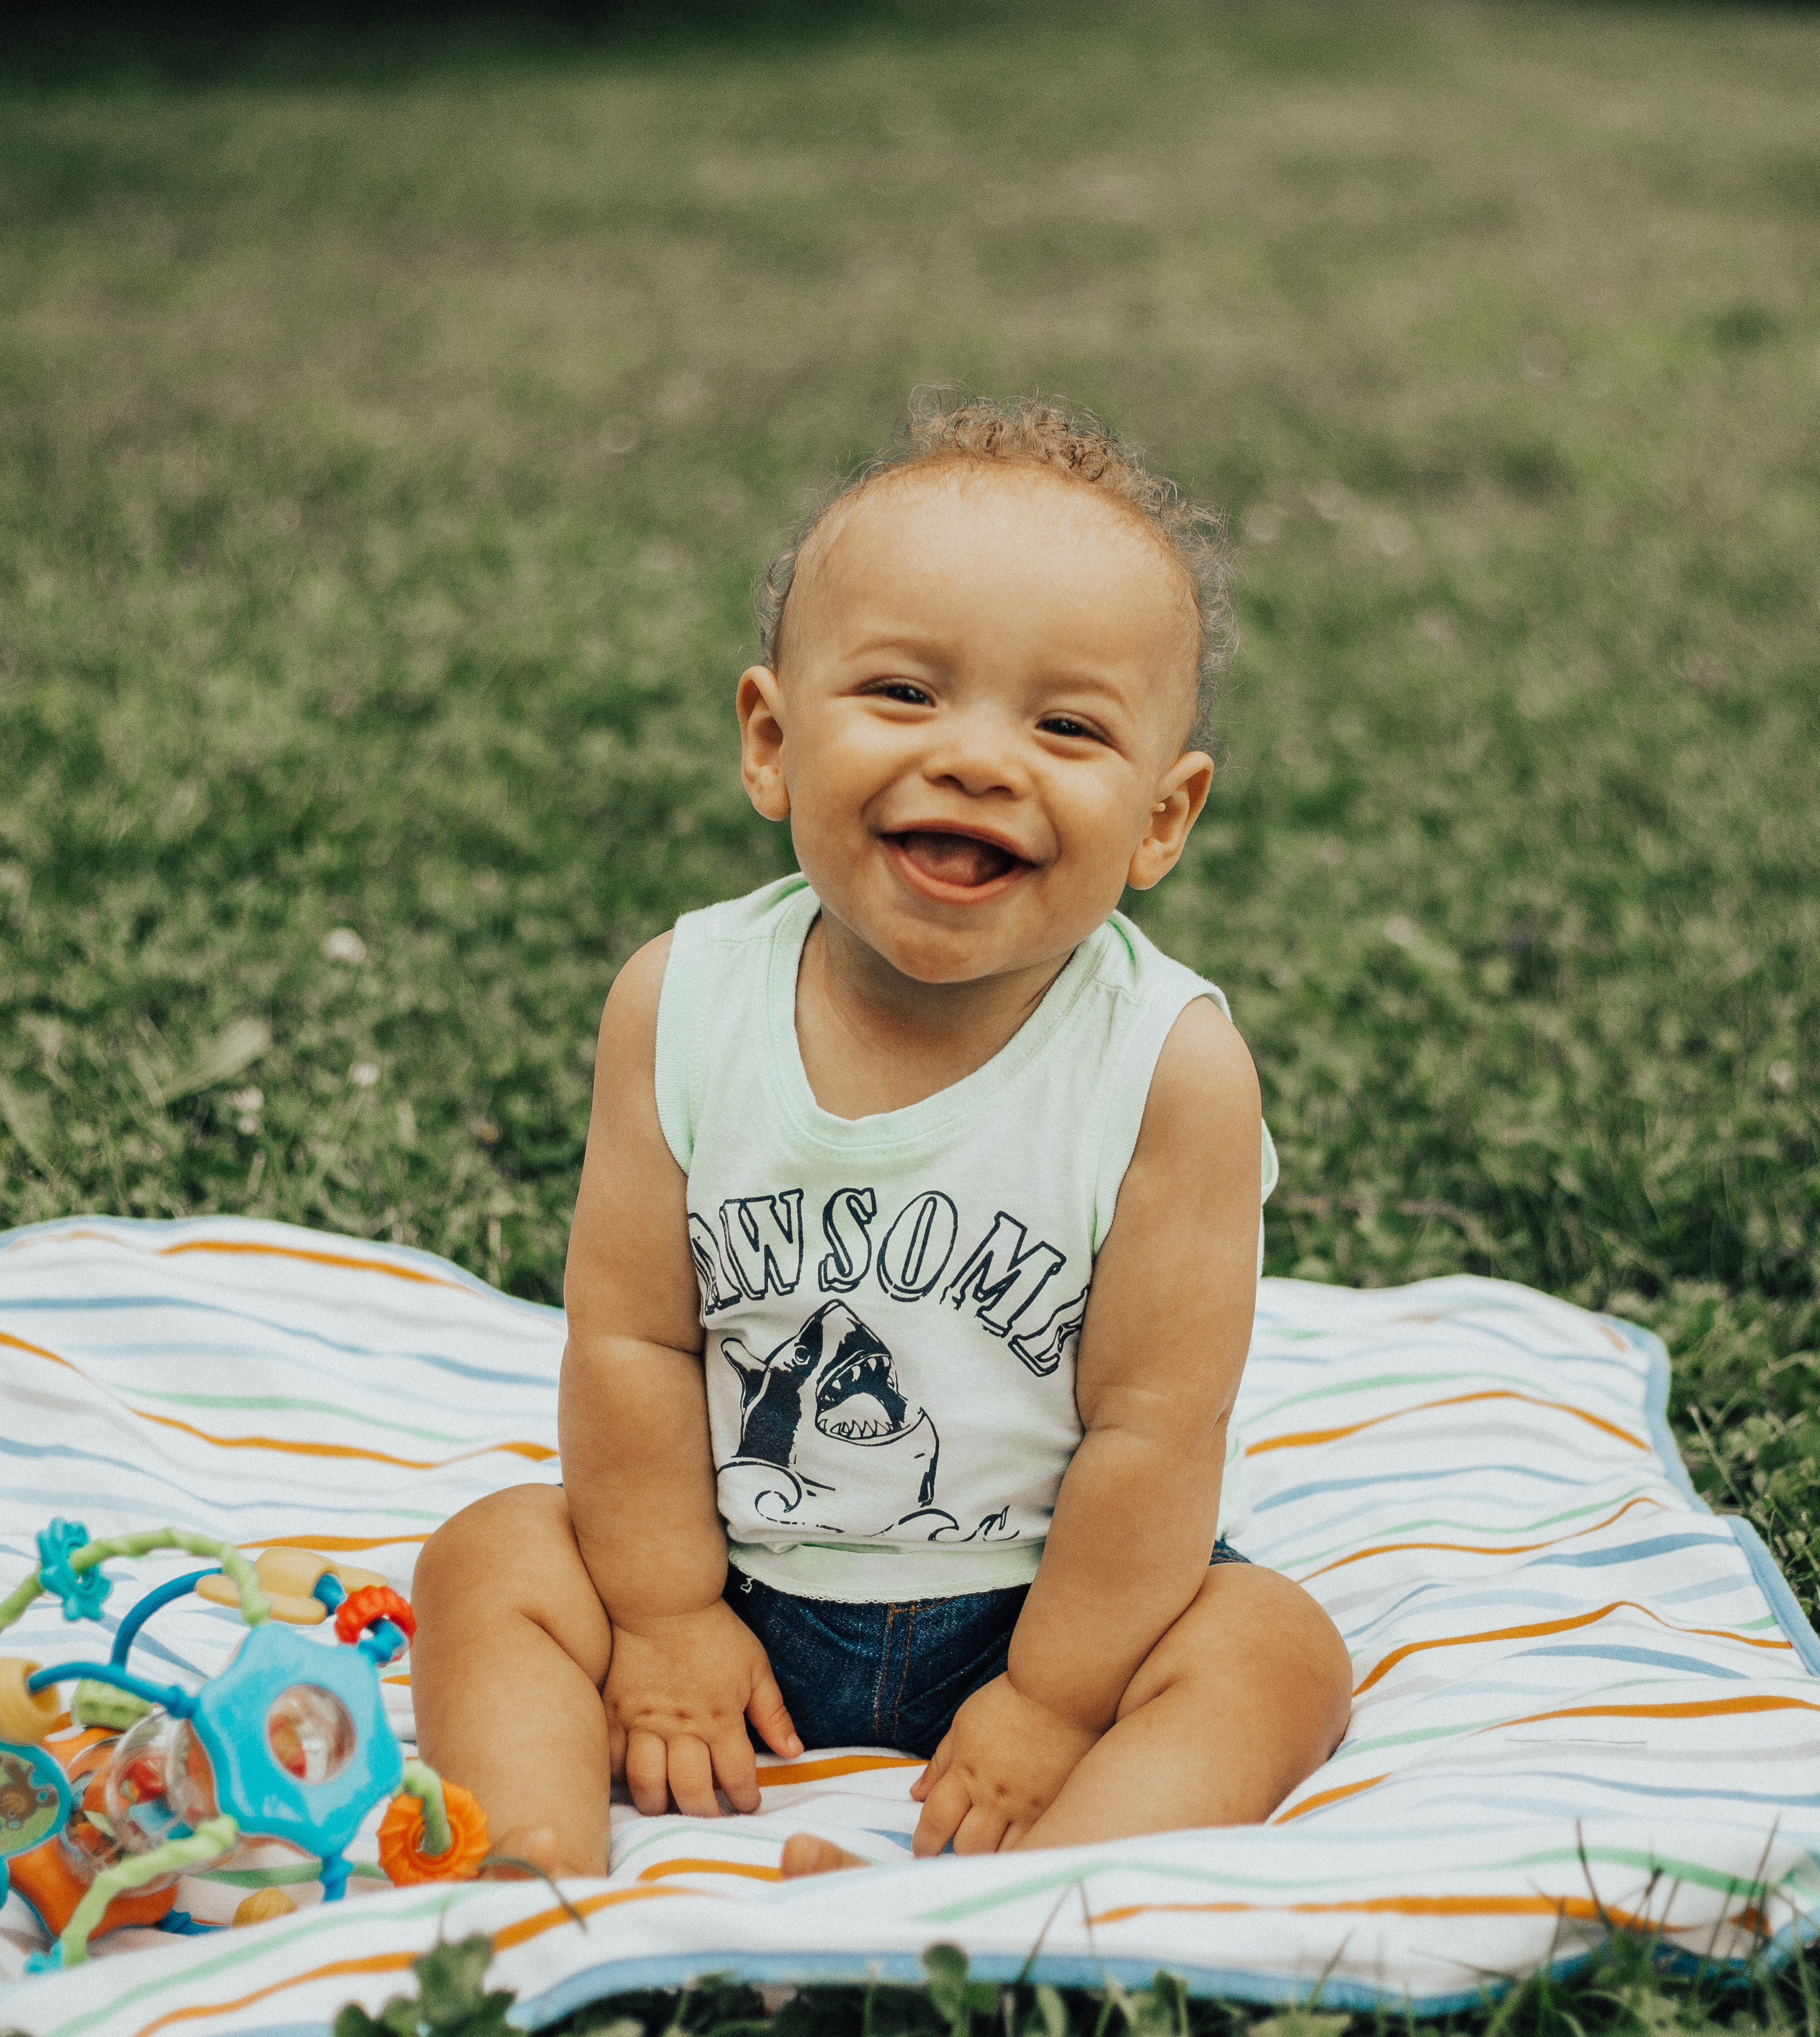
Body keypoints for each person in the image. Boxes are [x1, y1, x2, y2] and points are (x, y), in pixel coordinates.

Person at [412, 394, 1350, 1879]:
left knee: (1275, 1650)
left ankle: (1009, 1921)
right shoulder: (683, 1003)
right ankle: (534, 1895)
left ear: (1162, 821)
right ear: (773, 741)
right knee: (493, 1556)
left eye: (1065, 725)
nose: (981, 760)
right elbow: (633, 1343)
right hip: (734, 1585)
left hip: (1043, 1609)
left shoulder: (1170, 1069)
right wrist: (660, 1620)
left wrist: (1053, 1702)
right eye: (907, 696)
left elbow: (1153, 1434)